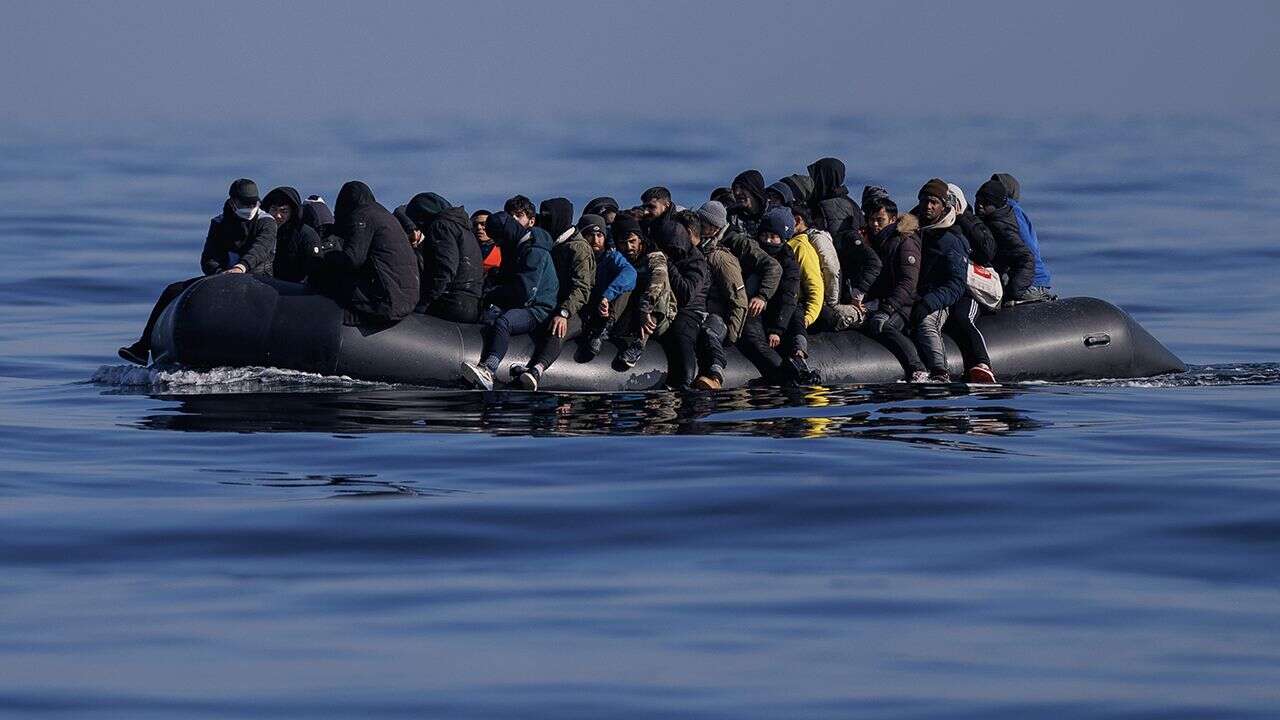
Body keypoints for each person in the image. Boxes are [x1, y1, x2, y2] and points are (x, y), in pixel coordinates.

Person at [117, 179, 277, 366]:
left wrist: (241, 268)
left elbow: (260, 249)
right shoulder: (219, 222)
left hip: (257, 277)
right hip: (222, 278)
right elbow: (209, 257)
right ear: (233, 203)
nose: (250, 208)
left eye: (253, 203)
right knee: (172, 290)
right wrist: (220, 273)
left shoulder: (267, 222)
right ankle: (143, 347)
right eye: (244, 204)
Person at [460, 212, 558, 390]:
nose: (498, 243)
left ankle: (488, 369)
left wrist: (494, 294)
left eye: (500, 238)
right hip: (520, 302)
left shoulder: (535, 251)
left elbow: (526, 292)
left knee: (504, 322)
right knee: (489, 317)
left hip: (538, 309)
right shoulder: (518, 247)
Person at [509, 199, 596, 390]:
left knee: (557, 329)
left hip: (577, 311)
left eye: (548, 218)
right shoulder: (552, 244)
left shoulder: (578, 248)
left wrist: (564, 312)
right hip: (551, 304)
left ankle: (537, 370)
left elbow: (582, 288)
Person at [309, 181, 420, 327]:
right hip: (405, 299)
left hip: (386, 302)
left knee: (326, 281)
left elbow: (352, 259)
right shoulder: (383, 215)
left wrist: (324, 258)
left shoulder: (362, 215)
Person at [861, 195, 928, 382]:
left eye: (879, 220)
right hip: (882, 301)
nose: (874, 224)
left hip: (904, 304)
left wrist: (887, 309)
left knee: (884, 326)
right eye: (871, 219)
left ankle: (917, 368)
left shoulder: (905, 241)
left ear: (892, 219)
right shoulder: (875, 242)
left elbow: (908, 281)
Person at [909, 179, 970, 382]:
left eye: (934, 202)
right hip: (911, 293)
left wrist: (929, 303)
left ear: (944, 205)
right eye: (925, 201)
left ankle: (940, 371)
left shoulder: (950, 240)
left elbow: (956, 283)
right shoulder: (911, 231)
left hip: (937, 298)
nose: (928, 206)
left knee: (926, 323)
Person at [682, 209, 747, 390]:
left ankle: (715, 376)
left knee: (709, 332)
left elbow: (738, 299)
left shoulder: (720, 258)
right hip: (700, 312)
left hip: (719, 316)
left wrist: (732, 337)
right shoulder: (698, 253)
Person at [944, 183, 998, 383]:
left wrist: (963, 217)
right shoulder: (930, 223)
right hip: (944, 288)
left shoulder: (971, 223)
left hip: (970, 290)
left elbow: (987, 252)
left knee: (963, 317)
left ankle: (983, 362)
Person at [406, 192, 483, 323]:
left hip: (451, 301)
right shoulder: (463, 228)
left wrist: (425, 302)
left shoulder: (440, 226)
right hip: (471, 301)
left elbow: (444, 268)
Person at [611, 214, 677, 369]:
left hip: (657, 316)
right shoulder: (619, 259)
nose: (628, 247)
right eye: (623, 243)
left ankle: (639, 345)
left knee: (661, 286)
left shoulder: (654, 255)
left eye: (632, 241)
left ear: (640, 239)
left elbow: (658, 278)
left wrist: (644, 308)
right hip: (629, 314)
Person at [650, 219, 709, 389]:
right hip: (666, 306)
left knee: (682, 334)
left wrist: (668, 264)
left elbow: (686, 294)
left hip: (690, 310)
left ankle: (686, 381)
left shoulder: (696, 261)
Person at [578, 214, 637, 360]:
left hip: (605, 308)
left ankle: (604, 329)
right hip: (582, 307)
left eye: (599, 235)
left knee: (627, 286)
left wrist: (607, 296)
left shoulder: (611, 257)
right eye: (590, 235)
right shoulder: (576, 255)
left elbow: (630, 273)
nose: (596, 240)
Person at [990, 172, 1053, 301]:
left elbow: (1026, 249)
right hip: (1029, 280)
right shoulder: (1004, 212)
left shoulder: (1009, 211)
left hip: (1030, 282)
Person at [792, 205, 856, 331]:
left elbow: (831, 268)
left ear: (798, 220)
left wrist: (831, 302)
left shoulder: (816, 238)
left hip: (821, 301)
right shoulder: (797, 239)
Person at [973, 178, 1036, 302]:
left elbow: (1026, 258)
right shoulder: (990, 220)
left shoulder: (1000, 227)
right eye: (978, 200)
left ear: (996, 204)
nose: (979, 205)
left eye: (986, 202)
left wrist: (1012, 292)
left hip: (1013, 285)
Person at [262, 186, 322, 283]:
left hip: (295, 292)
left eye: (284, 211)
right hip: (264, 287)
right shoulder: (261, 231)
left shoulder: (306, 235)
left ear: (292, 212)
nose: (278, 215)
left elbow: (315, 270)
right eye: (274, 209)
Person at [728, 169, 767, 237]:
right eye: (735, 188)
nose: (737, 192)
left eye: (742, 187)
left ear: (754, 189)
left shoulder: (773, 215)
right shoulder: (730, 216)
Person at [470, 209, 503, 275]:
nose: (479, 227)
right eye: (475, 224)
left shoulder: (505, 248)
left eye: (483, 224)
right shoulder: (464, 248)